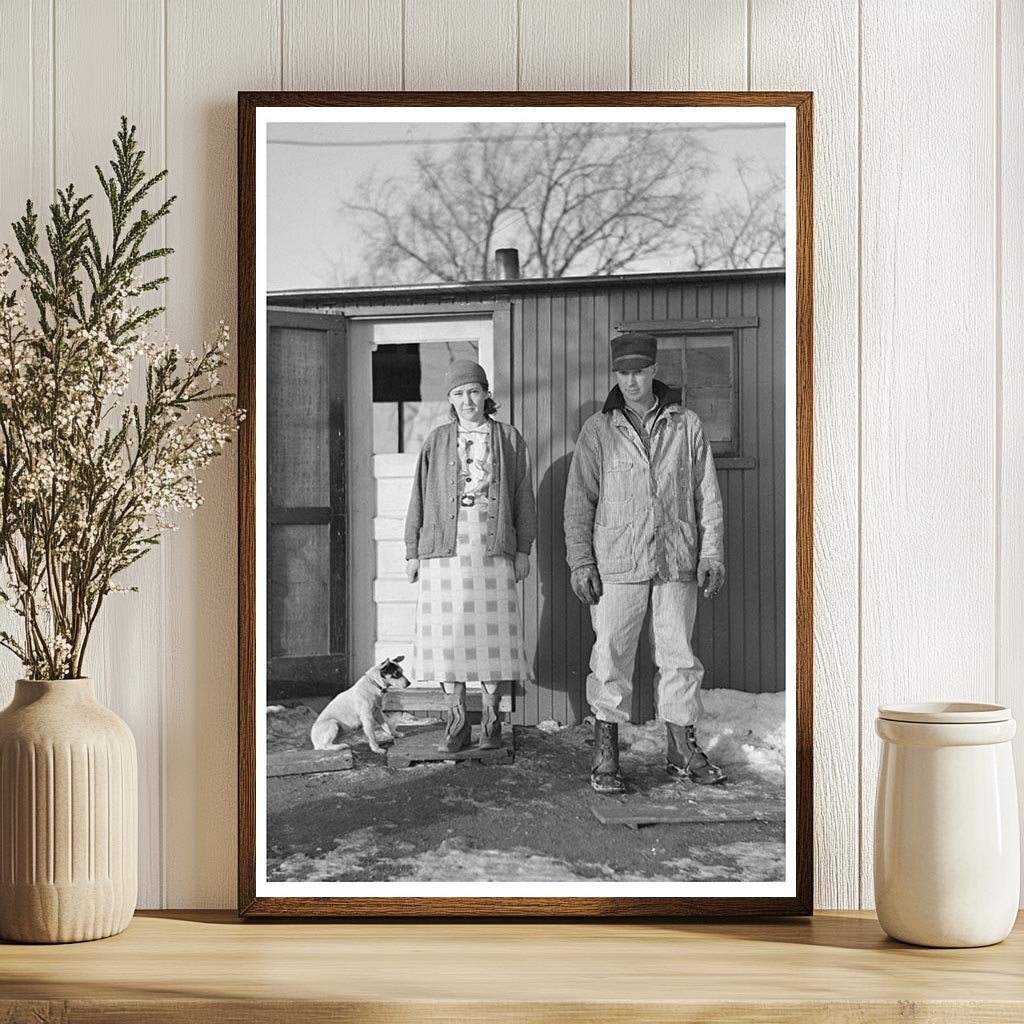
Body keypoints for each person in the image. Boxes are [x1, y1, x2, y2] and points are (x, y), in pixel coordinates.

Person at [563, 332, 727, 793]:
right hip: (617, 562)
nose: (631, 381)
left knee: (679, 657)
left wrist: (711, 552)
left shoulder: (686, 425)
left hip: (676, 559)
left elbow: (706, 496)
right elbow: (579, 503)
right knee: (610, 657)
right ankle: (606, 754)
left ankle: (680, 749)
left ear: (653, 370)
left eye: (639, 371)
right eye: (623, 372)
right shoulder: (599, 431)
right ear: (615, 374)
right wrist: (581, 562)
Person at [405, 360, 536, 752]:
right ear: (450, 399)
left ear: (486, 394)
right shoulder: (437, 440)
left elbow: (523, 498)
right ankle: (457, 723)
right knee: (449, 636)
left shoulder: (509, 438)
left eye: (474, 392)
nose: (467, 401)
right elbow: (419, 498)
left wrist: (523, 549)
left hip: (492, 545)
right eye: (459, 394)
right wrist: (412, 551)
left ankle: (492, 724)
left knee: (492, 635)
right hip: (444, 547)